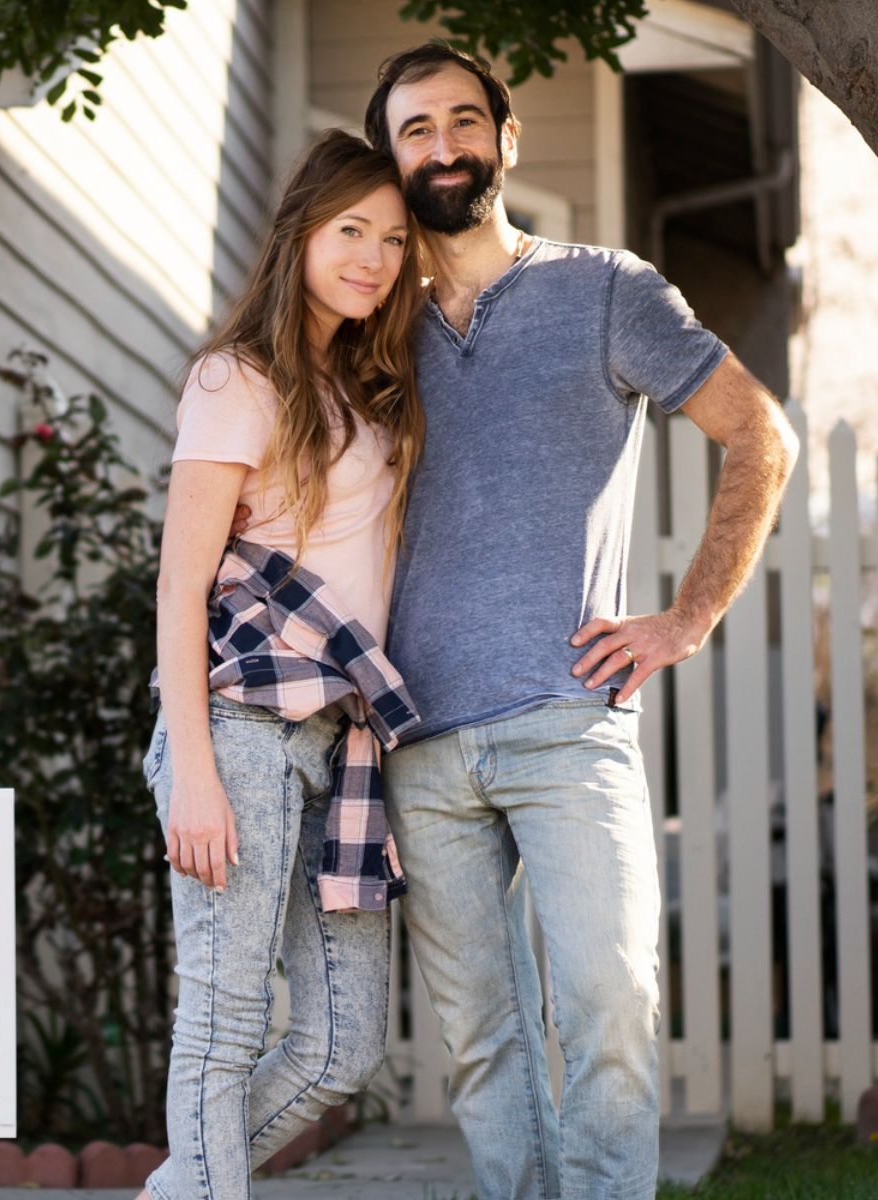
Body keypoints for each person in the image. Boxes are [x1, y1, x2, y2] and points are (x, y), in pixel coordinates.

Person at [357, 40, 799, 1199]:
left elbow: (762, 435)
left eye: (462, 121)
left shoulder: (607, 290)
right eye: (415, 129)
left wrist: (683, 620)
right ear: (390, 159)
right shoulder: (370, 328)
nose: (441, 145)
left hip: (567, 721)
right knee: (481, 1047)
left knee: (610, 1014)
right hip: (420, 741)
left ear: (506, 139)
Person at [137, 128, 428, 1200]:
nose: (374, 256)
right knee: (222, 1019)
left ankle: (180, 1187)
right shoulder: (237, 380)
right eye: (351, 230)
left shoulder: (365, 387)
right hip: (244, 734)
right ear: (300, 234)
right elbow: (180, 585)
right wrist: (196, 770)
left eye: (394, 239)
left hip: (343, 744)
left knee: (341, 1046)